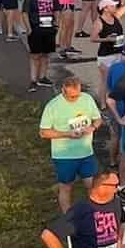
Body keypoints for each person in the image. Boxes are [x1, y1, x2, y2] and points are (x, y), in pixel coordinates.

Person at [37, 75, 103, 212]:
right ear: (63, 91)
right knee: (66, 187)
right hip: (64, 156)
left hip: (86, 152)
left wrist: (93, 127)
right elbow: (43, 132)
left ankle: (95, 212)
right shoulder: (53, 106)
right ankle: (68, 218)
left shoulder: (86, 99)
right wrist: (67, 134)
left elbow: (98, 119)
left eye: (77, 95)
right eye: (72, 97)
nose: (75, 99)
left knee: (92, 184)